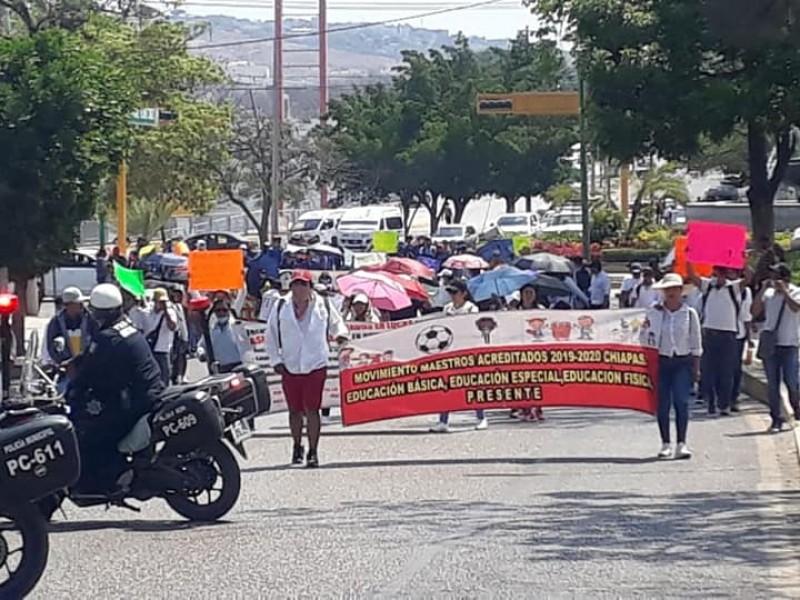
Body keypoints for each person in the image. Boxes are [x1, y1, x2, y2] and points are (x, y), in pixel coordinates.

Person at [67, 283, 164, 493]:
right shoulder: (127, 328)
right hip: (147, 393)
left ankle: (113, 479)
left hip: (136, 401)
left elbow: (88, 372)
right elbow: (93, 362)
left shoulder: (107, 338)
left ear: (99, 314)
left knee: (91, 433)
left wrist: (73, 391)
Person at [266, 269, 349, 468]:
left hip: (315, 364)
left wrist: (340, 336)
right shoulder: (280, 306)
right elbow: (270, 335)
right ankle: (297, 445)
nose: (299, 288)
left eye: (303, 284)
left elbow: (338, 325)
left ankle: (313, 451)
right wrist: (275, 360)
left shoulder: (323, 304)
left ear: (310, 287)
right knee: (294, 411)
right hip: (290, 365)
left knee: (313, 410)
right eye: (295, 284)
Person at [639, 273, 701, 460]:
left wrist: (696, 368)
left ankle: (681, 443)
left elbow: (696, 342)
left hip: (682, 362)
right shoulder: (654, 312)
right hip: (661, 361)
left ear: (681, 291)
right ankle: (665, 443)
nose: (672, 293)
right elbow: (644, 336)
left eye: (675, 289)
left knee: (681, 402)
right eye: (668, 289)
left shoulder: (690, 313)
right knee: (662, 404)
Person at [430, 279, 487, 432]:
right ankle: (443, 421)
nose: (452, 296)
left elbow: (471, 326)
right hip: (450, 350)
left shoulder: (471, 308)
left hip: (467, 350)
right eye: (450, 293)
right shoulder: (447, 308)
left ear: (464, 294)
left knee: (472, 385)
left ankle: (481, 417)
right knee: (446, 385)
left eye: (455, 293)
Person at [686, 264, 743, 416]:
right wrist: (689, 257)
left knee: (726, 373)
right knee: (708, 372)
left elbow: (749, 278)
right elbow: (692, 275)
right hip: (709, 334)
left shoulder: (734, 287)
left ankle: (724, 404)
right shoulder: (707, 286)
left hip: (728, 335)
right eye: (717, 273)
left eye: (723, 273)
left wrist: (743, 259)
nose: (720, 277)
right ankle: (711, 402)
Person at [750, 263, 800, 433]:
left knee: (791, 381)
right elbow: (754, 310)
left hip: (789, 344)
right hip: (771, 345)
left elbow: (795, 308)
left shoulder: (795, 291)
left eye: (776, 275)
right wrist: (762, 290)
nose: (773, 279)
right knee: (772, 384)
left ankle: (796, 407)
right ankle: (776, 419)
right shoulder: (769, 294)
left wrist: (784, 291)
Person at [45, 287, 94, 366]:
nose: (82, 305)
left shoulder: (90, 319)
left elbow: (97, 339)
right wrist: (65, 363)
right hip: (66, 368)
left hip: (89, 365)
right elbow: (52, 346)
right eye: (77, 302)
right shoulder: (56, 322)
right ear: (67, 305)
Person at [197, 299, 249, 373]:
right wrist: (201, 353)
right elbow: (201, 346)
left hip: (239, 367)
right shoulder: (211, 329)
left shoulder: (237, 327)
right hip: (220, 369)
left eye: (224, 310)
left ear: (229, 311)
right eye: (218, 310)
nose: (221, 313)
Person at [145, 288, 177, 386]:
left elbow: (172, 326)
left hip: (163, 349)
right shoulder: (149, 312)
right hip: (150, 348)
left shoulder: (170, 312)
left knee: (165, 376)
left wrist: (166, 312)